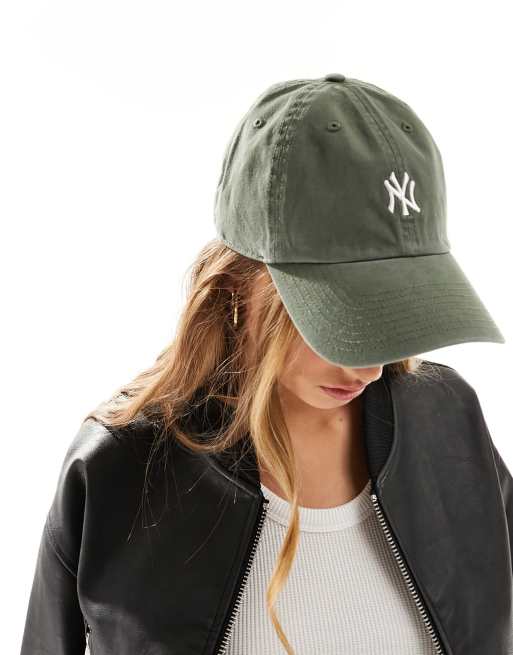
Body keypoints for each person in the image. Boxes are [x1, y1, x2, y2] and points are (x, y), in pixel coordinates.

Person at [20, 74, 512, 655]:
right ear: (237, 284)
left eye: (398, 309)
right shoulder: (120, 471)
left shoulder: (448, 418)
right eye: (344, 316)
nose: (372, 368)